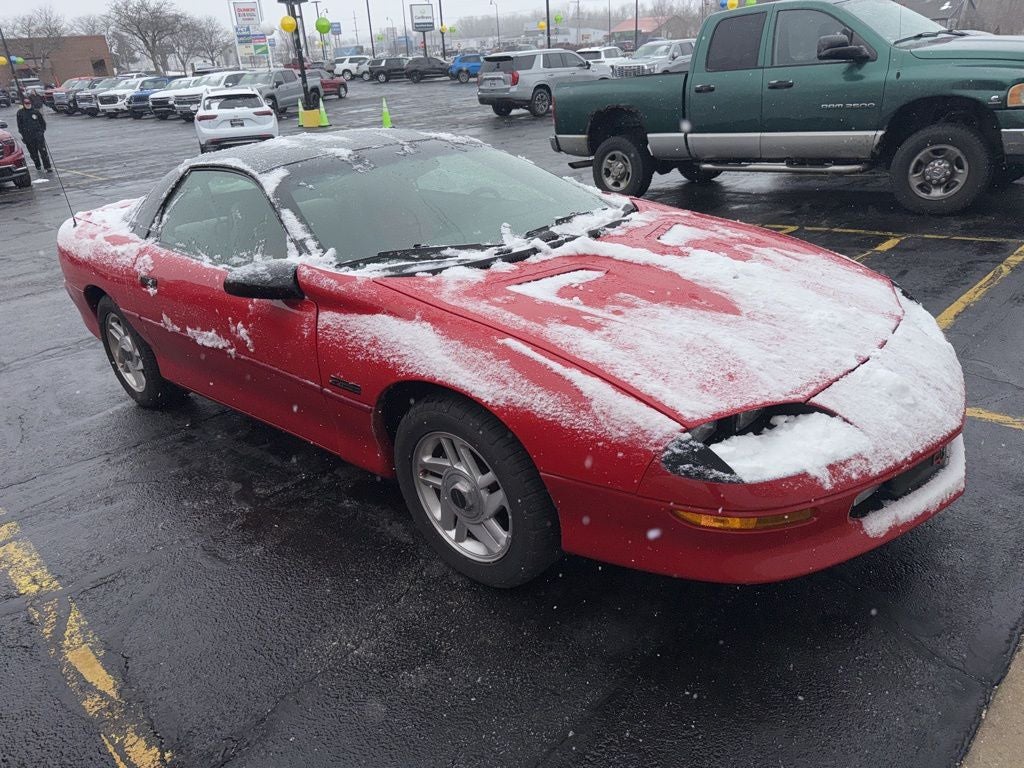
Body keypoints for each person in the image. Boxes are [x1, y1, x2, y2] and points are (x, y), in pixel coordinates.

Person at [16, 96, 51, 173]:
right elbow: (19, 126)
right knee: (33, 153)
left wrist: (41, 131)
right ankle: (37, 165)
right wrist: (23, 135)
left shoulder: (36, 112)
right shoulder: (20, 113)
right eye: (26, 103)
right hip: (28, 137)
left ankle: (48, 167)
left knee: (43, 152)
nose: (28, 104)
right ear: (23, 104)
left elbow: (42, 123)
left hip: (38, 136)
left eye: (29, 103)